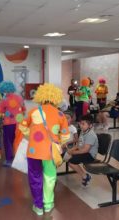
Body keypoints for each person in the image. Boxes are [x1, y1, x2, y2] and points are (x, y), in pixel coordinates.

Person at [18, 83, 70, 215]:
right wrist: (57, 141)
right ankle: (48, 204)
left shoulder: (33, 112)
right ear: (56, 98)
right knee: (50, 177)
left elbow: (22, 127)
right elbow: (65, 136)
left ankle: (38, 206)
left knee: (35, 177)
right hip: (51, 152)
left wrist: (32, 137)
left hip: (34, 151)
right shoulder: (60, 114)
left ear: (41, 97)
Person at [0, 81, 26, 166]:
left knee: (8, 142)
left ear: (4, 90)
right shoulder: (20, 98)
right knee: (18, 141)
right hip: (19, 123)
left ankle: (9, 160)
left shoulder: (4, 100)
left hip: (8, 124)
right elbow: (24, 110)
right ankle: (19, 159)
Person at [66, 114, 98, 187]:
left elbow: (85, 150)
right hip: (83, 151)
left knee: (71, 162)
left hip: (90, 155)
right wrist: (71, 150)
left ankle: (85, 176)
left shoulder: (91, 135)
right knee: (68, 156)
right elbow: (78, 144)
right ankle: (85, 175)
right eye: (80, 123)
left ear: (90, 125)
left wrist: (73, 152)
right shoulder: (83, 131)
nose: (81, 125)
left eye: (83, 124)